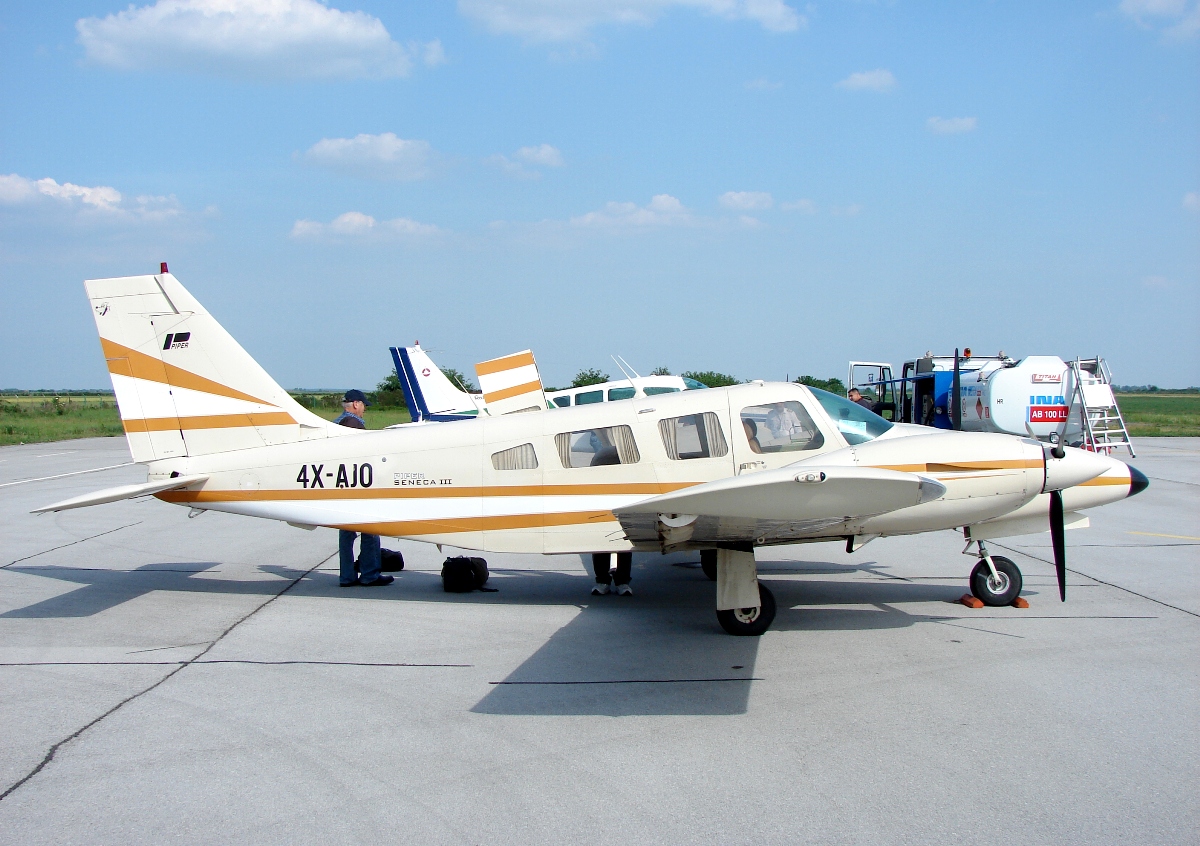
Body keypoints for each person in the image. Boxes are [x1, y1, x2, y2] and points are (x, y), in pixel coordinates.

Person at [333, 389, 392, 588]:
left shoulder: (338, 422)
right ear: (356, 404)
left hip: (342, 485)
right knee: (370, 530)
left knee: (346, 533)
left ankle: (347, 576)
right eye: (364, 405)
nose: (364, 410)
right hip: (357, 486)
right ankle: (369, 574)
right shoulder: (353, 424)